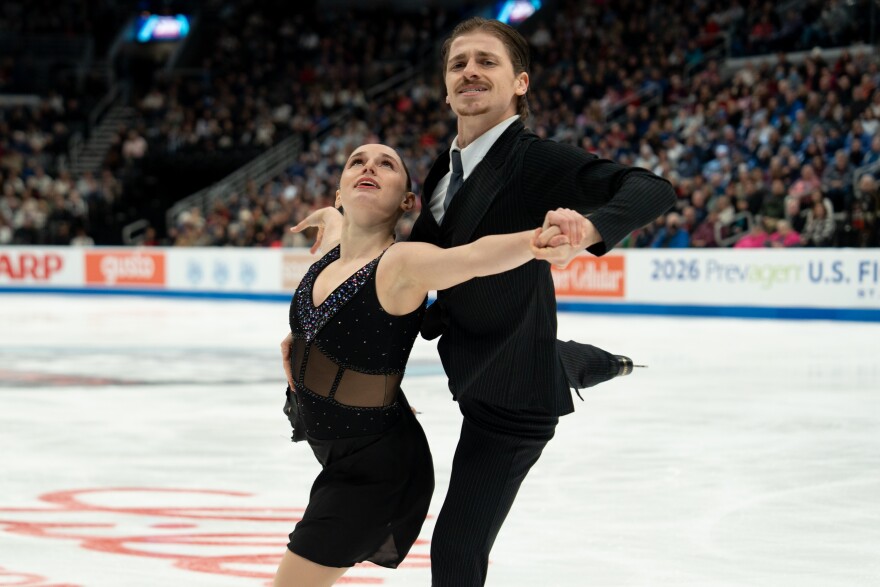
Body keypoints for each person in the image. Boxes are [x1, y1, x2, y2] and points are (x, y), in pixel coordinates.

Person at [288, 17, 676, 585]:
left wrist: (584, 233)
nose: (470, 71)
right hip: (481, 358)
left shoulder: (530, 159)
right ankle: (602, 361)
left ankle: (593, 362)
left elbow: (651, 188)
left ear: (520, 82)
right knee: (553, 357)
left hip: (510, 407)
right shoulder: (445, 170)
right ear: (446, 88)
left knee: (455, 549)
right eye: (458, 64)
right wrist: (338, 219)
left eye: (486, 62)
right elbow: (406, 251)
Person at [273, 143, 567, 587]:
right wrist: (327, 218)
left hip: (377, 471)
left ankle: (576, 362)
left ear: (407, 202)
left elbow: (471, 258)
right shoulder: (332, 251)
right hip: (339, 454)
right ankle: (581, 362)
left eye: (386, 165)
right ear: (338, 192)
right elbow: (337, 226)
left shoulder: (401, 265)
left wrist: (535, 241)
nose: (369, 166)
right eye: (357, 162)